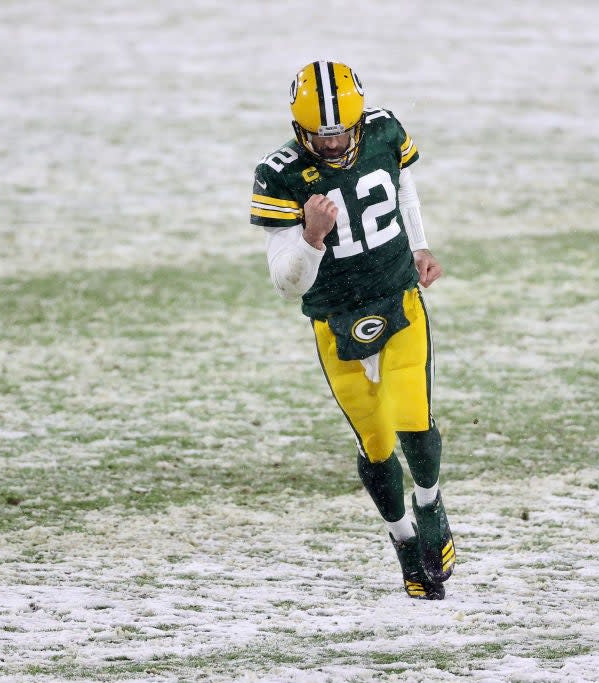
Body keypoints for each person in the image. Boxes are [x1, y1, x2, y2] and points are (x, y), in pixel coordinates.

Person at [250, 60, 455, 600]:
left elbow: (402, 187)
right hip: (334, 315)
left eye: (342, 129)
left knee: (412, 417)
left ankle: (431, 503)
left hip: (396, 293)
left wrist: (419, 245)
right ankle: (404, 539)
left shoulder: (384, 129)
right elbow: (285, 284)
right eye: (322, 133)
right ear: (300, 128)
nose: (334, 140)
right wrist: (311, 238)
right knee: (377, 440)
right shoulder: (280, 174)